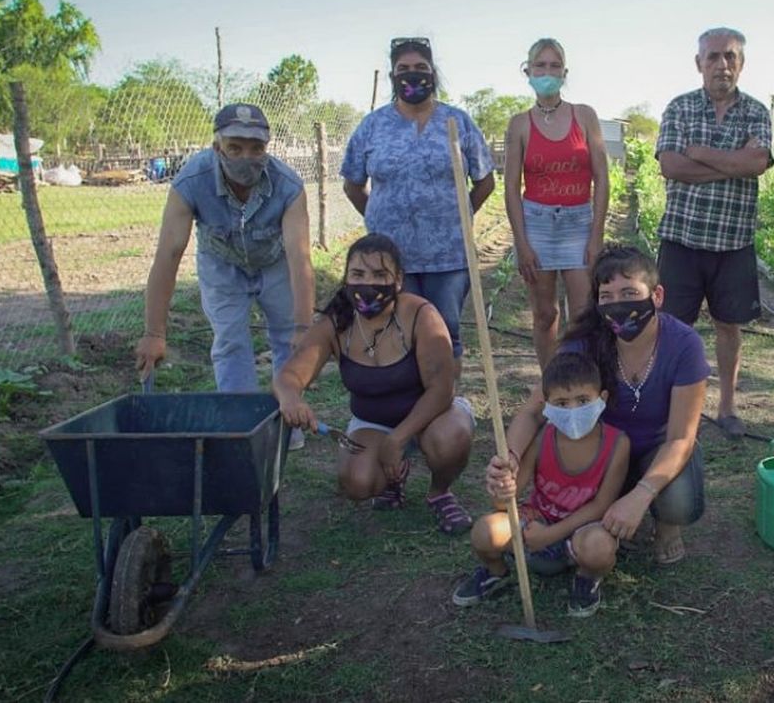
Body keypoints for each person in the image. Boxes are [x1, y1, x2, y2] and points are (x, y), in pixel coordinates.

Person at [485, 245, 708, 565]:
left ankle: (665, 525)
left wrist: (642, 493)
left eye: (630, 292)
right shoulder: (584, 342)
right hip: (598, 450)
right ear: (597, 302)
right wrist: (511, 456)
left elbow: (680, 439)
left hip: (654, 450)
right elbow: (534, 410)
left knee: (679, 498)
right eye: (608, 296)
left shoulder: (684, 344)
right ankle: (593, 514)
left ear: (656, 296)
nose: (619, 305)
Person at [135, 102, 313, 449]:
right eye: (235, 148)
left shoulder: (288, 185)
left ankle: (287, 422)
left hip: (275, 263)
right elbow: (169, 254)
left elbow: (299, 256)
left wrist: (304, 327)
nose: (246, 157)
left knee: (286, 340)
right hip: (221, 264)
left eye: (256, 148)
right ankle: (243, 427)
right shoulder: (191, 181)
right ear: (217, 148)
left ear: (267, 149)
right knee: (230, 342)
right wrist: (154, 332)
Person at [276, 234, 476, 534]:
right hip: (373, 422)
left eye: (379, 274)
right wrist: (290, 398)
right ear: (346, 279)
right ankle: (393, 478)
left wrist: (397, 439)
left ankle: (440, 492)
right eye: (358, 274)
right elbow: (289, 375)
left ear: (398, 281)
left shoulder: (421, 315)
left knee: (452, 437)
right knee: (357, 482)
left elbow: (442, 390)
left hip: (432, 416)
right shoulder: (336, 322)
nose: (367, 283)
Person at [342, 37, 497, 369]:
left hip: (449, 255)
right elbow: (353, 184)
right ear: (392, 76)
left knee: (445, 334)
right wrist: (378, 221)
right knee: (397, 334)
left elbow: (485, 182)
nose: (412, 76)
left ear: (433, 74)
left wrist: (459, 214)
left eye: (420, 69)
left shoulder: (458, 122)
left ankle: (445, 409)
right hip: (391, 257)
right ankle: (406, 409)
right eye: (403, 69)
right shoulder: (373, 126)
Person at [654, 27, 774, 439]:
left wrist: (702, 154)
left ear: (741, 63)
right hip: (682, 239)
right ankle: (669, 404)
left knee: (730, 326)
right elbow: (671, 166)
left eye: (730, 57)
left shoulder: (756, 111)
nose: (722, 65)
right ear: (699, 63)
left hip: (733, 241)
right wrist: (731, 161)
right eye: (714, 57)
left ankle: (726, 407)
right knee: (670, 326)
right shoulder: (680, 107)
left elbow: (756, 162)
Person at [454, 352, 630, 617]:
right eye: (561, 403)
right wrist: (503, 490)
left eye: (583, 400)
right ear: (546, 406)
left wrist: (552, 535)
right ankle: (496, 572)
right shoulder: (541, 438)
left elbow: (601, 505)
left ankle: (587, 578)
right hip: (537, 523)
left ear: (601, 399)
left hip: (581, 531)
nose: (572, 411)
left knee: (599, 549)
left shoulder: (618, 444)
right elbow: (504, 503)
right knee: (484, 531)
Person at [504, 38, 610, 366]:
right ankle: (551, 383)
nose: (547, 72)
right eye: (540, 66)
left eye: (553, 66)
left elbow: (602, 178)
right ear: (528, 71)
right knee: (544, 313)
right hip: (537, 222)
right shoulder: (520, 124)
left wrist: (596, 235)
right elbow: (510, 187)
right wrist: (521, 243)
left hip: (578, 222)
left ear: (564, 72)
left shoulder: (585, 117)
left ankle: (583, 379)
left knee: (582, 313)